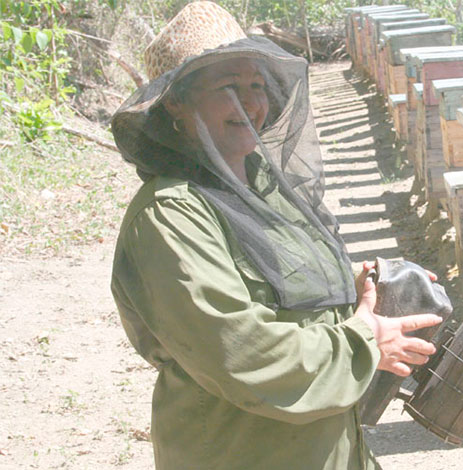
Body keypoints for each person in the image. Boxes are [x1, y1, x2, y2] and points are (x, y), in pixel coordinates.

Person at [109, 2, 442, 469]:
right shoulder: (170, 216)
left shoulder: (259, 183)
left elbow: (272, 273)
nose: (250, 104)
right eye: (228, 86)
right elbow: (241, 353)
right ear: (176, 103)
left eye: (256, 85)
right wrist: (365, 340)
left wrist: (357, 280)